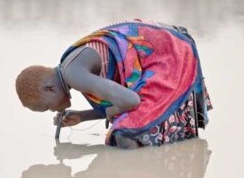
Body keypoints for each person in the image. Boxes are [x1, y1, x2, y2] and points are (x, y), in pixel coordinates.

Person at [15, 19, 212, 149]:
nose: (53, 111)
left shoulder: (72, 74)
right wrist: (83, 117)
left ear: (49, 88)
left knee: (124, 134)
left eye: (48, 107)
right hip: (167, 44)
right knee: (122, 127)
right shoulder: (70, 67)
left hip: (167, 54)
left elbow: (131, 100)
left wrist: (110, 113)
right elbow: (119, 98)